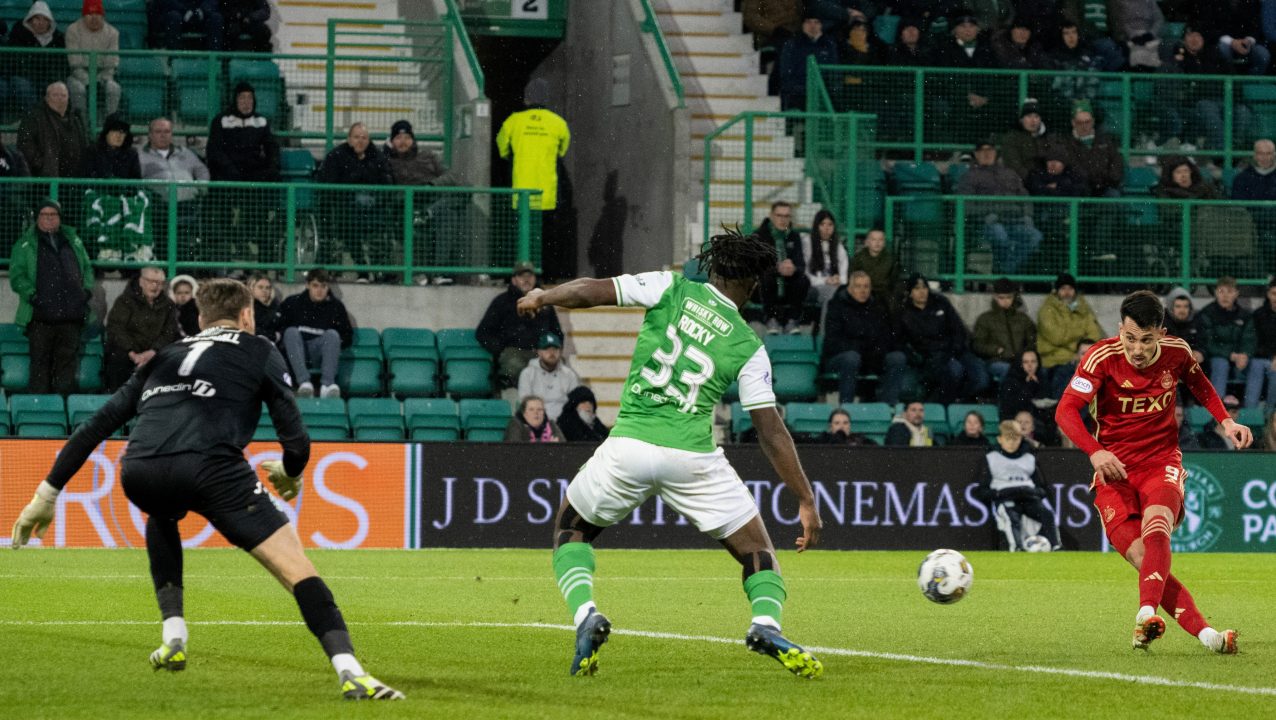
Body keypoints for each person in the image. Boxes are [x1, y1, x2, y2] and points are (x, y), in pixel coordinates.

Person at [9, 278, 403, 700]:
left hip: (140, 469)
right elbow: (297, 440)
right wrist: (290, 471)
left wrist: (45, 495)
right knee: (294, 567)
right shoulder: (259, 350)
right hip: (213, 468)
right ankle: (351, 671)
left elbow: (95, 426)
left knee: (163, 511)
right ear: (248, 315)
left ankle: (173, 636)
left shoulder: (165, 355)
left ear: (200, 318)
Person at [515, 228, 824, 678]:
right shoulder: (749, 347)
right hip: (692, 458)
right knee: (758, 554)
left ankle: (586, 615)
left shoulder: (670, 287)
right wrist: (805, 499)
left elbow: (591, 292)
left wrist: (544, 295)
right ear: (753, 286)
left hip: (630, 446)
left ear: (713, 269)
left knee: (570, 528)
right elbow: (771, 431)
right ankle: (765, 625)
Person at [1054, 290, 1245, 653]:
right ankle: (1208, 636)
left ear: (1160, 332)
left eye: (1145, 340)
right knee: (1143, 558)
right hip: (1113, 472)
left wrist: (1226, 420)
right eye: (1129, 338)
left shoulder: (1177, 353)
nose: (1137, 349)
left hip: (1161, 461)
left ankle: (1145, 616)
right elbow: (1065, 411)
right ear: (1119, 330)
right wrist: (1095, 453)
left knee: (1157, 527)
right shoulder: (1100, 358)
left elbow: (1200, 385)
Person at [9, 198, 92, 395]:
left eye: (53, 215)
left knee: (66, 368)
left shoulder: (74, 241)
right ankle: (39, 414)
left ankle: (62, 409)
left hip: (71, 316)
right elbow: (17, 276)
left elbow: (87, 268)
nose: (49, 219)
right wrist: (33, 296)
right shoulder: (25, 244)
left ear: (59, 218)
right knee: (40, 366)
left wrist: (86, 291)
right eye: (44, 215)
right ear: (37, 218)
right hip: (41, 317)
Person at [495, 78, 571, 280]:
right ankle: (547, 276)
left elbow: (502, 148)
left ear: (526, 99)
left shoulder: (513, 121)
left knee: (520, 238)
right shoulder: (558, 123)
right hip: (547, 193)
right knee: (547, 238)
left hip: (521, 193)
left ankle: (516, 276)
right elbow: (562, 151)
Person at [206, 81, 279, 261]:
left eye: (250, 98)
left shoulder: (261, 121)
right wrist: (229, 169)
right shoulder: (221, 120)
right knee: (222, 207)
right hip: (228, 176)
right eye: (242, 98)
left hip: (253, 177)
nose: (246, 102)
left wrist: (270, 168)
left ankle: (259, 254)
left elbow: (272, 149)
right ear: (235, 100)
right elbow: (213, 150)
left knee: (259, 208)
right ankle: (226, 250)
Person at [896, 273, 989, 405]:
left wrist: (955, 349)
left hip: (956, 351)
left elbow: (958, 329)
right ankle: (949, 406)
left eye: (924, 287)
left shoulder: (941, 302)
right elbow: (901, 341)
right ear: (910, 293)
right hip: (932, 356)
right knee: (954, 372)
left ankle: (960, 400)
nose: (922, 292)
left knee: (981, 379)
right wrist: (916, 356)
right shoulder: (904, 313)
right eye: (917, 288)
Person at [956, 140, 1043, 275]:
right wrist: (987, 213)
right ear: (976, 154)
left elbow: (1025, 197)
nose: (987, 154)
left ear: (995, 153)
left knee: (1035, 236)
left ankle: (1004, 270)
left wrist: (1027, 215)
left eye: (990, 150)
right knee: (999, 234)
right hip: (985, 223)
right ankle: (1005, 273)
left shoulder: (1010, 173)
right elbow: (965, 206)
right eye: (982, 151)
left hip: (1014, 221)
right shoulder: (969, 177)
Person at [820, 270, 906, 404]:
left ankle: (889, 407)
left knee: (897, 358)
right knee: (851, 358)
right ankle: (846, 408)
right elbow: (833, 341)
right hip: (840, 358)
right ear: (850, 288)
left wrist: (877, 350)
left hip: (870, 357)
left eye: (866, 286)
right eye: (858, 286)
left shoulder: (877, 307)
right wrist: (860, 349)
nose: (863, 290)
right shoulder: (837, 306)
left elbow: (886, 336)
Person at [317, 122, 394, 273]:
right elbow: (328, 183)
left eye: (364, 137)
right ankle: (361, 267)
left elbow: (386, 180)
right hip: (345, 206)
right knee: (350, 223)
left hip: (373, 207)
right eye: (356, 137)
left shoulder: (377, 156)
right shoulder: (336, 156)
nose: (360, 141)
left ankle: (380, 269)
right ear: (349, 139)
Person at [976, 420, 1062, 551]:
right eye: (1007, 439)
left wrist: (1031, 492)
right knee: (1011, 518)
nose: (1011, 443)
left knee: (1047, 514)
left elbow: (1042, 489)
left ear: (1021, 438)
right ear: (1000, 439)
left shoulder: (1029, 458)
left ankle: (1056, 546)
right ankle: (1017, 547)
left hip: (1028, 498)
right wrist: (1001, 494)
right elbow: (982, 491)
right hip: (1006, 499)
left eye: (1015, 438)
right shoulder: (991, 458)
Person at [477, 261, 563, 387]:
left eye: (530, 276)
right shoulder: (501, 302)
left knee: (559, 369)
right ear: (514, 280)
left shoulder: (545, 303)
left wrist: (552, 349)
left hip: (540, 352)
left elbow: (557, 332)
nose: (526, 280)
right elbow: (482, 333)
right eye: (522, 276)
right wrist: (501, 350)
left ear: (535, 279)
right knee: (514, 368)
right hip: (513, 353)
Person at [137, 117, 209, 253]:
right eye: (158, 131)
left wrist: (201, 187)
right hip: (160, 207)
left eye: (167, 131)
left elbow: (201, 170)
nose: (163, 135)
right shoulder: (140, 156)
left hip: (188, 203)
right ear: (150, 135)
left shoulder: (185, 152)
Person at [278, 268, 353, 399]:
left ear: (328, 287)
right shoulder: (292, 303)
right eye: (315, 286)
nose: (319, 290)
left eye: (323, 286)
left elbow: (347, 335)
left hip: (321, 354)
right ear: (308, 285)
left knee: (332, 335)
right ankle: (304, 384)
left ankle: (327, 386)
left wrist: (332, 344)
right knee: (290, 332)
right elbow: (278, 326)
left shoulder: (336, 306)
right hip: (296, 352)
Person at [104, 266, 180, 392]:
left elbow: (170, 332)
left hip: (155, 352)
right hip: (129, 352)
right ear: (141, 281)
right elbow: (115, 328)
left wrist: (153, 352)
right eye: (151, 281)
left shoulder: (168, 305)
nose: (156, 286)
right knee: (116, 357)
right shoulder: (125, 301)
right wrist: (132, 353)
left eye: (160, 283)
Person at [1195, 276, 1263, 407]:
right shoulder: (1207, 314)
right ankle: (1217, 410)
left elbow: (1250, 339)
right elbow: (1208, 343)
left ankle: (1251, 411)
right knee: (1220, 363)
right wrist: (1230, 354)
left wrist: (1245, 354)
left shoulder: (1244, 315)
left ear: (1237, 293)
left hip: (1239, 362)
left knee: (1257, 365)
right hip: (1214, 361)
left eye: (1230, 291)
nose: (1225, 296)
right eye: (1222, 291)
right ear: (1215, 292)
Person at [1037, 273, 1103, 397]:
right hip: (1054, 359)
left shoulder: (1083, 308)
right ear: (1056, 291)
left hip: (1078, 358)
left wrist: (1075, 348)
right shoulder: (1047, 310)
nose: (1067, 292)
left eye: (1070, 289)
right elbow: (1057, 337)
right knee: (1065, 375)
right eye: (1063, 289)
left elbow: (1094, 334)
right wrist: (1079, 339)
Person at [756, 201, 809, 334]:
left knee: (803, 280)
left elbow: (801, 264)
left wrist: (793, 268)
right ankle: (771, 318)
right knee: (766, 277)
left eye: (786, 216)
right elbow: (756, 266)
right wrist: (777, 268)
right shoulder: (759, 235)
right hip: (764, 286)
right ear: (772, 216)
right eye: (779, 215)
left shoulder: (794, 236)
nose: (783, 219)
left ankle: (792, 320)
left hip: (788, 283)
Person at [972, 277, 1036, 385]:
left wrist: (1025, 356)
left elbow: (1032, 341)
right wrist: (996, 350)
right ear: (995, 297)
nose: (1005, 301)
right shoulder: (986, 319)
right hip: (995, 361)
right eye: (1001, 298)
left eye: (1009, 297)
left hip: (1020, 361)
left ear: (1014, 297)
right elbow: (977, 344)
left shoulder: (1023, 319)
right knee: (1007, 370)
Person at [17, 81, 87, 179]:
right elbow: (25, 145)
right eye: (55, 95)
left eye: (63, 95)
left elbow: (85, 143)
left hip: (74, 178)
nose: (60, 99)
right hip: (47, 180)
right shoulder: (34, 117)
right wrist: (42, 165)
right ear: (46, 98)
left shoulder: (76, 118)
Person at [6, 2, 67, 114]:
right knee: (21, 85)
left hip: (48, 78)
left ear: (50, 22)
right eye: (37, 18)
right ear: (30, 19)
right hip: (25, 76)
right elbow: (15, 62)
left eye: (45, 19)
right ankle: (34, 119)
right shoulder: (20, 33)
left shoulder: (58, 38)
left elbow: (61, 65)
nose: (41, 23)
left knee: (58, 88)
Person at [65, 0, 120, 118]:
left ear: (103, 15)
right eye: (90, 14)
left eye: (98, 14)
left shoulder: (113, 32)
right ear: (84, 15)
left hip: (103, 75)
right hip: (77, 75)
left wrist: (100, 80)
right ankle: (81, 128)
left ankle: (109, 128)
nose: (94, 18)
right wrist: (89, 82)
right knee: (78, 90)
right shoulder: (73, 30)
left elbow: (111, 63)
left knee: (113, 89)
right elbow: (74, 62)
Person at [777, 14, 837, 110]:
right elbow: (785, 72)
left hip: (822, 94)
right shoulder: (792, 44)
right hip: (798, 94)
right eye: (808, 22)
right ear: (803, 25)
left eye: (816, 22)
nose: (812, 25)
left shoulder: (829, 45)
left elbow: (834, 72)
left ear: (821, 25)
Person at [517, 331, 580, 422]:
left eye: (555, 349)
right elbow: (526, 405)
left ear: (560, 351)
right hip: (536, 422)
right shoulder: (527, 373)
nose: (551, 353)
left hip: (563, 423)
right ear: (539, 352)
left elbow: (575, 404)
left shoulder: (569, 375)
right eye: (547, 349)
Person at [802, 209, 847, 307]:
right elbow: (805, 274)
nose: (826, 228)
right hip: (813, 287)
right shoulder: (807, 243)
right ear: (816, 226)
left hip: (834, 286)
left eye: (830, 225)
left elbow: (844, 274)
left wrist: (839, 280)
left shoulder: (838, 246)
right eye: (822, 224)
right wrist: (825, 280)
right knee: (832, 293)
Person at [848, 227, 899, 308]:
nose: (877, 243)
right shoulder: (859, 258)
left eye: (880, 240)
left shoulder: (891, 259)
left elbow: (894, 281)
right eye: (873, 239)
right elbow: (851, 277)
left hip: (884, 296)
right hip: (863, 293)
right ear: (867, 242)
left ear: (884, 242)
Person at [999, 348, 1055, 421]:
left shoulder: (1042, 379)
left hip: (1039, 424)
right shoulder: (1010, 381)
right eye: (1025, 362)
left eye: (1033, 361)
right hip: (1014, 423)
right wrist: (1029, 386)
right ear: (1019, 363)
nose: (1030, 365)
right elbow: (1012, 408)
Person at [79, 113, 140, 179]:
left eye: (123, 132)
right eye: (115, 130)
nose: (119, 135)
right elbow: (86, 179)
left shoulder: (131, 154)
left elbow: (136, 182)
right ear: (106, 132)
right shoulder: (92, 152)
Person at [1001, 98, 1049, 180]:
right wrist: (1032, 179)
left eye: (1036, 116)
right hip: (1023, 180)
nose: (1033, 120)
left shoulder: (1047, 138)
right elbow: (1014, 164)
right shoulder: (1012, 138)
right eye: (1029, 116)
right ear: (1021, 119)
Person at [1163, 287, 1204, 362]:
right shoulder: (1163, 322)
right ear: (1171, 308)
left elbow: (1203, 341)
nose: (1182, 310)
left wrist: (1200, 353)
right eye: (1178, 306)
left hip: (1191, 362)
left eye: (1185, 306)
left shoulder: (1196, 320)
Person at [1252, 278, 1276, 408]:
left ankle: (1270, 416)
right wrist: (1272, 356)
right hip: (1261, 358)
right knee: (1257, 365)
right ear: (1268, 294)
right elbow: (1254, 342)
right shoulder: (1259, 315)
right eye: (1274, 293)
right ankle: (1250, 413)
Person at [248, 273, 280, 343]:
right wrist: (273, 336)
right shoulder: (247, 307)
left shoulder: (276, 306)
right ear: (251, 288)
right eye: (260, 287)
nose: (264, 291)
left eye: (267, 288)